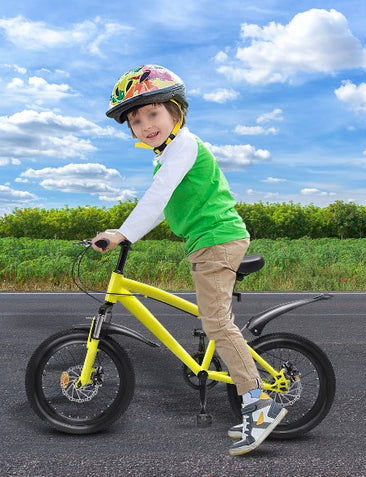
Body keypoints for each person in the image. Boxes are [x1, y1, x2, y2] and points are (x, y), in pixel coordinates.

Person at [92, 65, 287, 456]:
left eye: (153, 113)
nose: (145, 125)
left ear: (176, 112)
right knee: (211, 318)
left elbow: (158, 198)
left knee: (216, 322)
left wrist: (122, 233)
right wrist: (128, 231)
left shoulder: (183, 146)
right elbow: (165, 204)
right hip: (205, 241)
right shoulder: (166, 155)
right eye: (135, 119)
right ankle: (246, 392)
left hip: (218, 238)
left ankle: (258, 405)